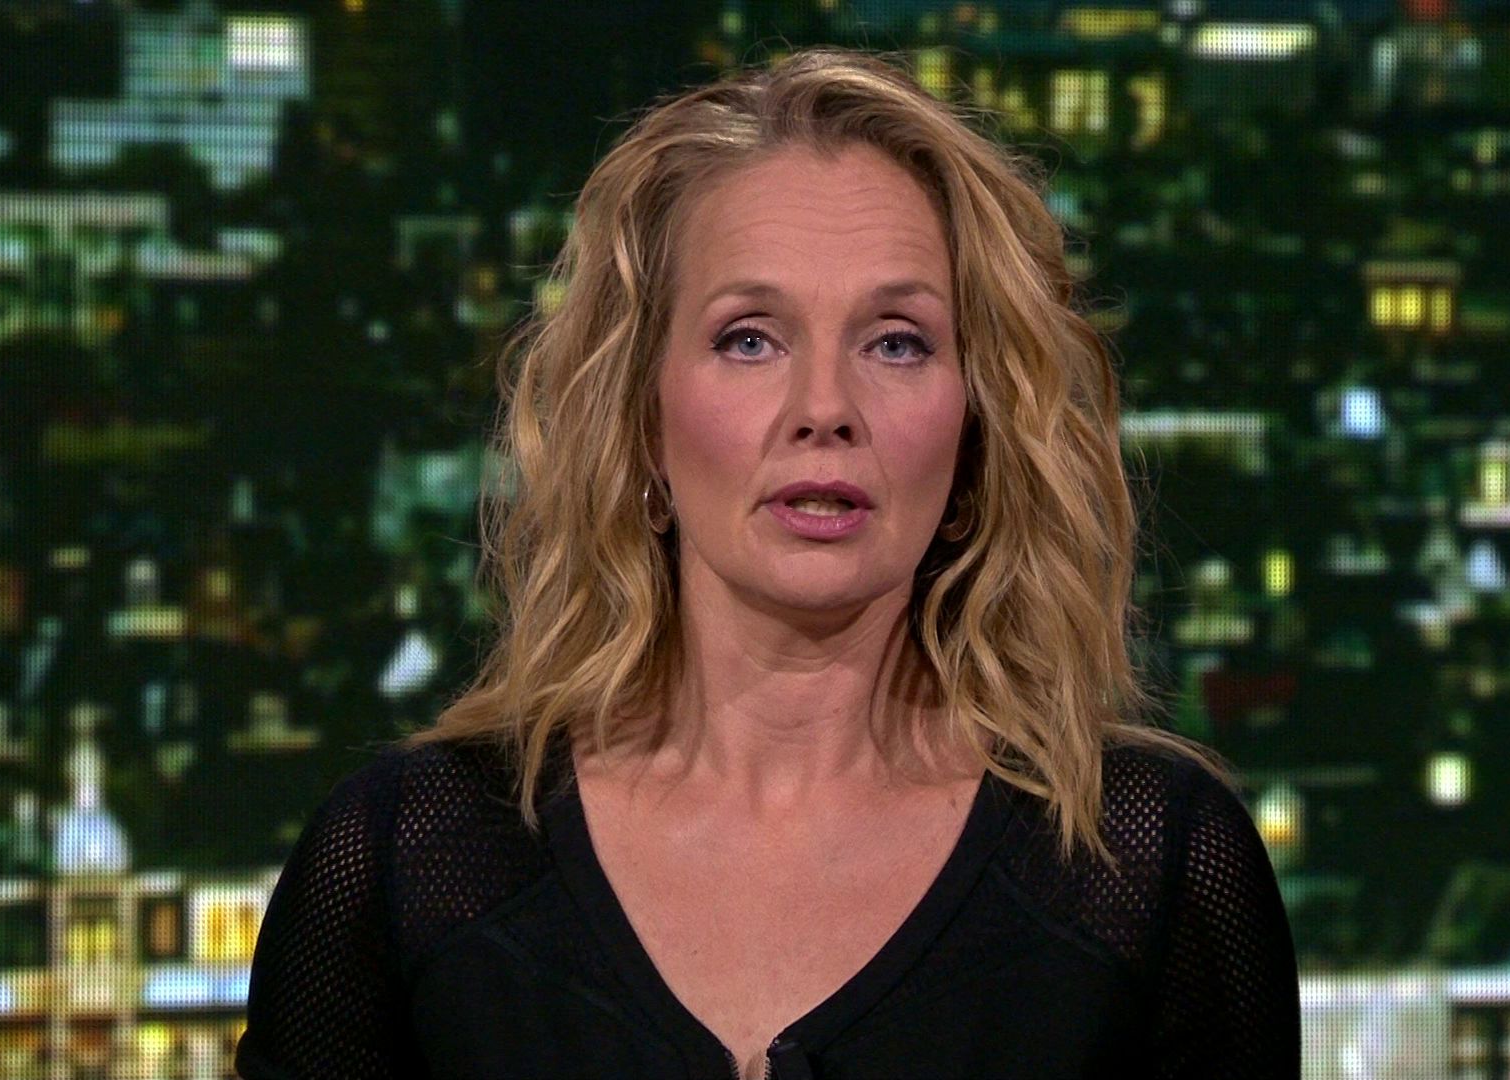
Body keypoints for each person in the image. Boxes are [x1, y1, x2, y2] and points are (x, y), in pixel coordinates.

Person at [235, 46, 1300, 1080]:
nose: (824, 408)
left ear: (977, 428)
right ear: (640, 419)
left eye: (897, 341)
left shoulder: (1147, 871)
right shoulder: (408, 864)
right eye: (750, 338)